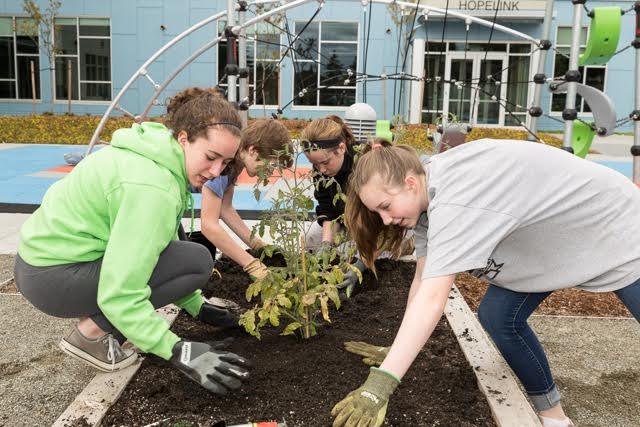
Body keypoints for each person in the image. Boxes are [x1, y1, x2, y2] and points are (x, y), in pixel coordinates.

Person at [332, 139, 640, 427]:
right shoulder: (428, 195)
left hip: (617, 227)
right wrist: (396, 350)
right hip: (551, 240)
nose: (384, 220)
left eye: (385, 207)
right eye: (377, 212)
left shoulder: (456, 200)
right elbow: (423, 281)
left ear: (410, 183)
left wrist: (380, 384)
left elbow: (433, 299)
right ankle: (555, 418)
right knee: (498, 317)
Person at [14, 87, 251, 395]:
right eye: (210, 157)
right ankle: (91, 335)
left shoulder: (152, 155)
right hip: (54, 277)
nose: (216, 171)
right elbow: (120, 292)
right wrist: (176, 349)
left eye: (226, 162)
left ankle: (97, 325)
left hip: (41, 264)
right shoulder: (152, 187)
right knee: (196, 261)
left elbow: (160, 248)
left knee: (187, 255)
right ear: (183, 138)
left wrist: (196, 307)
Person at [200, 118, 292, 280]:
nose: (269, 174)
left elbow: (225, 208)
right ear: (253, 151)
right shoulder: (223, 163)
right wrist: (250, 263)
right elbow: (209, 226)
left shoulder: (235, 164)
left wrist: (255, 243)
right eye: (269, 166)